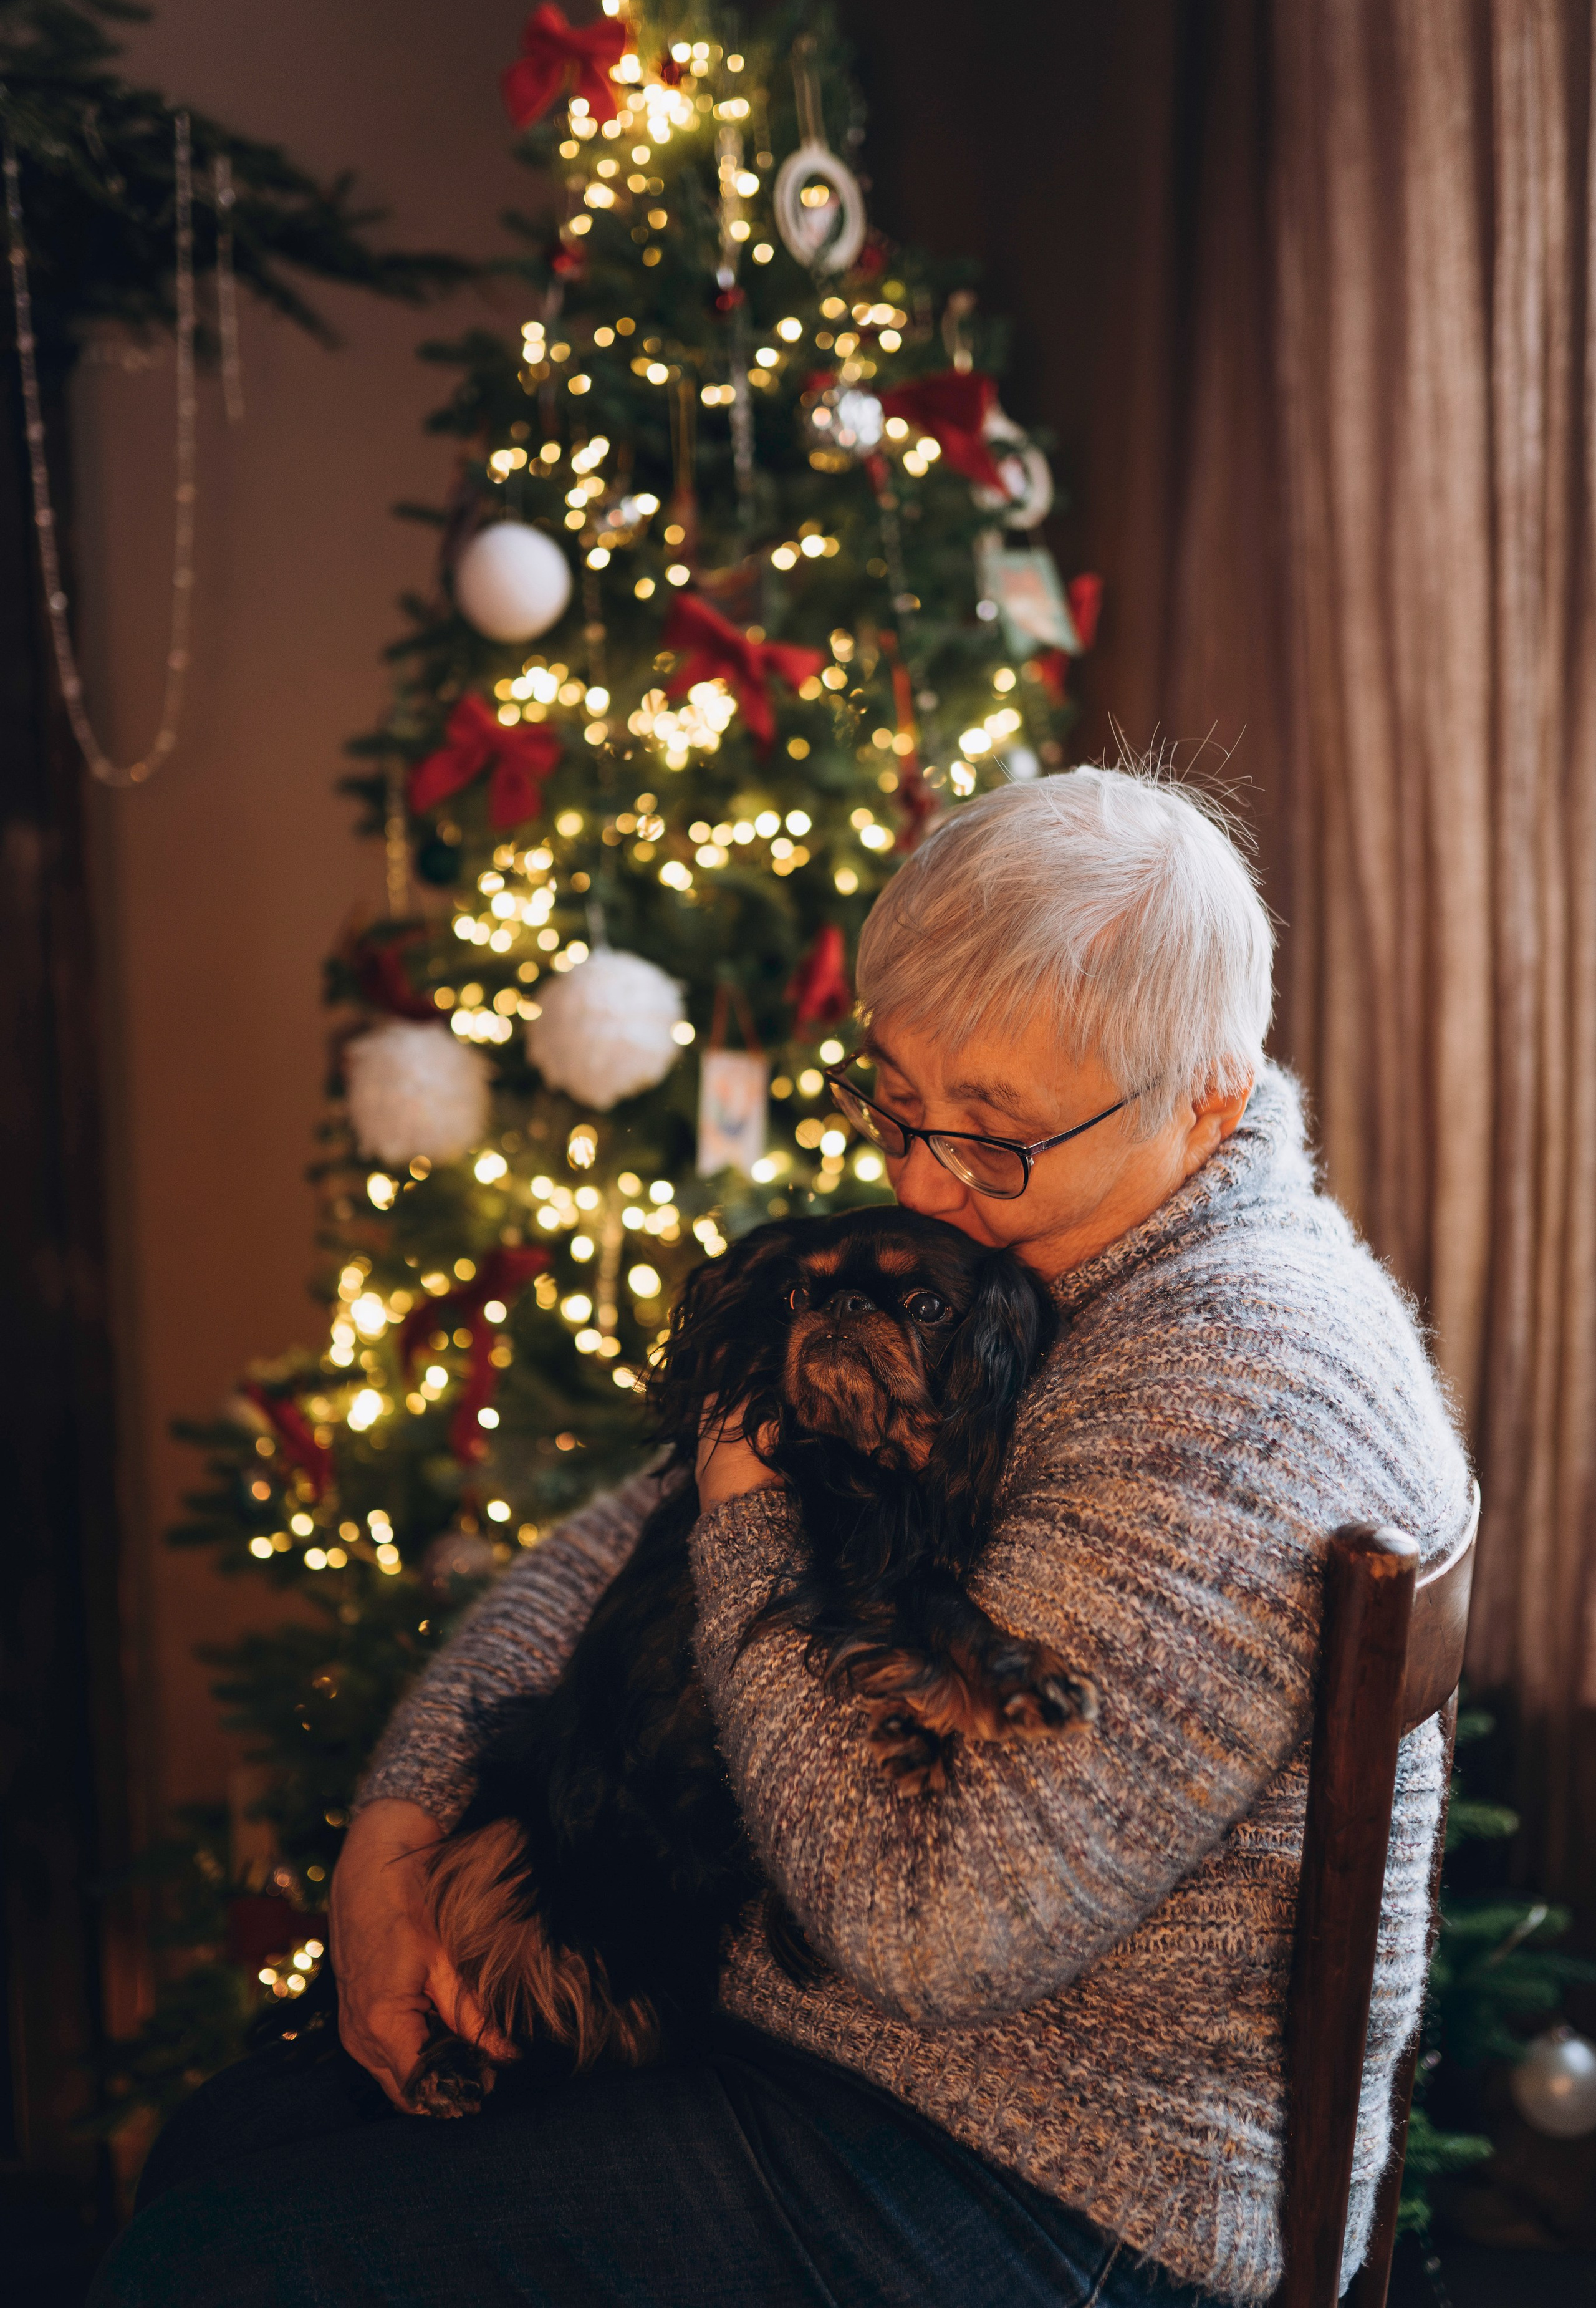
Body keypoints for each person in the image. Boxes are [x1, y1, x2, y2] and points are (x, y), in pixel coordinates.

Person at [92, 770, 1473, 2308]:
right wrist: (402, 1818)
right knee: (225, 2143)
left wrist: (748, 1510)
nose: (912, 1175)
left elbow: (931, 1930)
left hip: (1062, 2175)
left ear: (1205, 1092)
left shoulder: (1229, 1385)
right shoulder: (1041, 1246)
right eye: (889, 1094)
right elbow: (622, 1539)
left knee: (213, 2263)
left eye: (991, 1132)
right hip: (845, 2039)